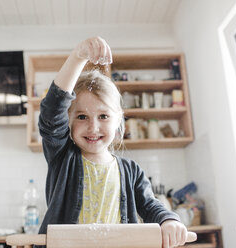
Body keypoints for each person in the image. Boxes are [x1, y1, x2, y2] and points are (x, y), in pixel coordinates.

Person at [38, 37, 188, 248]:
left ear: (118, 120)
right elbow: (52, 111)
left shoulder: (131, 171)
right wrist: (78, 57)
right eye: (81, 117)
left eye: (103, 116)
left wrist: (169, 220)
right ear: (68, 122)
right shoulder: (63, 157)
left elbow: (150, 205)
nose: (93, 127)